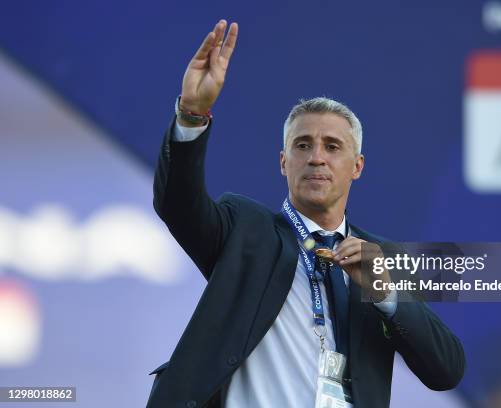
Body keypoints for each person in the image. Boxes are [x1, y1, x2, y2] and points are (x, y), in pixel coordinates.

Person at [146, 19, 465, 408]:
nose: (316, 157)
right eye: (302, 145)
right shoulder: (245, 230)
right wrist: (192, 114)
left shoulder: (379, 258)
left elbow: (446, 369)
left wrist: (384, 293)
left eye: (332, 146)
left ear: (357, 166)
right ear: (283, 162)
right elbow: (177, 204)